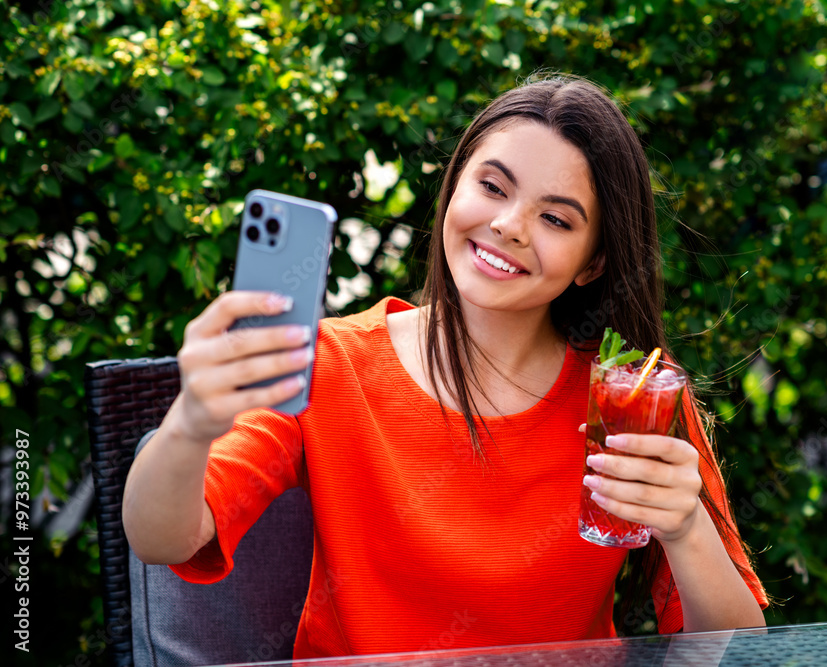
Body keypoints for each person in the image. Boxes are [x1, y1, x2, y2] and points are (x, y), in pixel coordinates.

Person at [123, 73, 768, 659]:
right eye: (492, 187)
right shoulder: (329, 363)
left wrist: (684, 528)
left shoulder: (634, 396)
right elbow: (164, 539)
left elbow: (735, 647)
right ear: (454, 187)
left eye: (555, 219)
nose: (510, 226)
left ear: (593, 263)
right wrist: (189, 424)